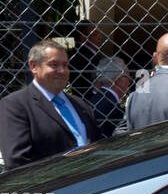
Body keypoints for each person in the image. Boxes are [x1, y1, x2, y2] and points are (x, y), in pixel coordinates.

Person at [0, 39, 98, 170]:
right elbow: (18, 162)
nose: (62, 71)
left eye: (65, 65)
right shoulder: (15, 106)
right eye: (54, 65)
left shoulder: (81, 105)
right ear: (34, 66)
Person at [86, 55, 131, 137]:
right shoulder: (114, 109)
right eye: (127, 77)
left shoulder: (93, 100)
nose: (130, 81)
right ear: (118, 81)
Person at [67, 19, 109, 96]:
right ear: (83, 37)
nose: (99, 37)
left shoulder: (94, 55)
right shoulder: (81, 57)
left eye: (100, 33)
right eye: (95, 34)